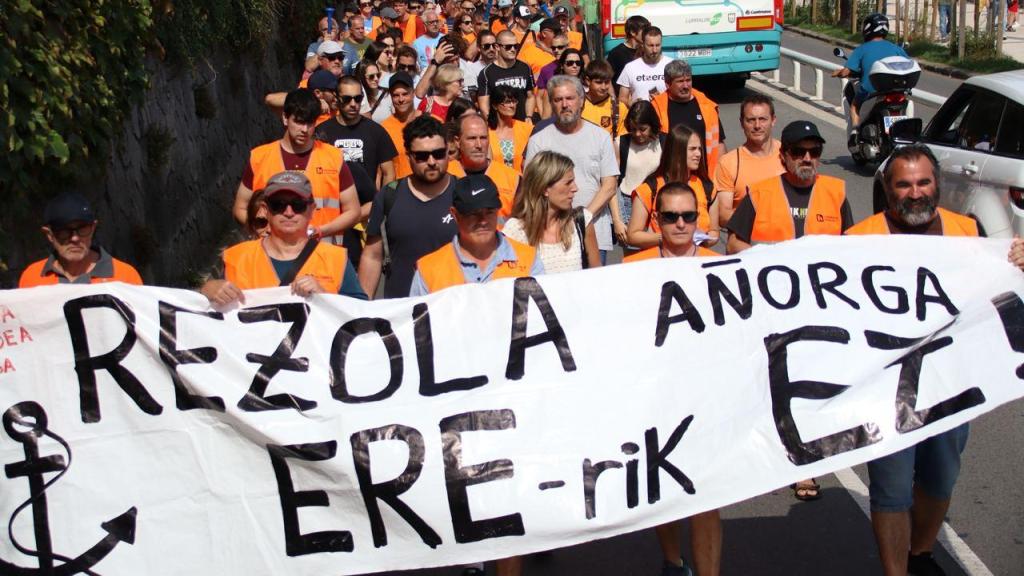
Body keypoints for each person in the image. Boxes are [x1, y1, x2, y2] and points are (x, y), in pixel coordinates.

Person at [845, 143, 1024, 576]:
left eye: (923, 182)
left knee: (940, 478)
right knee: (890, 489)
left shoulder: (969, 232)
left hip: (951, 384)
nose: (915, 192)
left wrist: (1018, 263)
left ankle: (920, 553)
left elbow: (997, 292)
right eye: (903, 185)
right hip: (884, 389)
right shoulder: (856, 241)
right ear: (888, 192)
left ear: (937, 186)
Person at [622, 182, 722, 576]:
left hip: (706, 397)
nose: (680, 224)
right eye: (670, 216)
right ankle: (673, 562)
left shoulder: (721, 265)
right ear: (656, 219)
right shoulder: (632, 269)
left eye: (688, 216)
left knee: (707, 494)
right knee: (664, 489)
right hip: (657, 398)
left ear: (698, 217)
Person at [203, 171, 367, 307]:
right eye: (278, 204)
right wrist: (207, 291)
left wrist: (324, 296)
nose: (289, 212)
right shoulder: (238, 258)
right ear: (266, 210)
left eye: (298, 205)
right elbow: (200, 316)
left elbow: (360, 314)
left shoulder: (335, 259)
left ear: (311, 210)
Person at [235, 89, 361, 246]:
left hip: (322, 257)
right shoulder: (260, 157)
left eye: (310, 123)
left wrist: (321, 231)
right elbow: (240, 207)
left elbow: (353, 211)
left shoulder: (333, 157)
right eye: (299, 122)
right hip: (272, 257)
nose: (305, 130)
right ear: (285, 118)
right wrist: (263, 228)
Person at [358, 115, 459, 298]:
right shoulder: (389, 195)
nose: (431, 161)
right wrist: (361, 308)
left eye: (438, 153)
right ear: (408, 155)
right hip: (401, 312)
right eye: (421, 156)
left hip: (450, 309)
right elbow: (372, 256)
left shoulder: (462, 193)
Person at [525, 75, 619, 263]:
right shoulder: (538, 141)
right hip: (552, 237)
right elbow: (532, 188)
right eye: (558, 100)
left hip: (595, 233)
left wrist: (582, 220)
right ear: (551, 103)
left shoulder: (600, 136)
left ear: (581, 100)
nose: (565, 104)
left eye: (570, 98)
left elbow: (609, 185)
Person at [727, 119, 853, 251]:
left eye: (815, 151)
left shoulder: (835, 193)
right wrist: (764, 258)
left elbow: (851, 244)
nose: (807, 159)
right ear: (783, 155)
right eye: (798, 152)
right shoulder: (759, 194)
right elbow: (733, 243)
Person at [409, 173, 542, 296]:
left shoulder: (529, 259)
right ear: (455, 215)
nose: (483, 221)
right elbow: (417, 320)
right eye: (473, 213)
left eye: (489, 212)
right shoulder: (428, 270)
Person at [504, 150, 601, 271]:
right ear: (544, 188)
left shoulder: (581, 222)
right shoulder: (515, 230)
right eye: (568, 183)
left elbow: (597, 277)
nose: (575, 188)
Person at [19, 192, 143, 287]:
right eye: (64, 231)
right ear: (49, 235)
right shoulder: (32, 277)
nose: (75, 238)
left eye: (82, 229)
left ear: (93, 228)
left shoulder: (125, 277)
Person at [627, 123, 719, 249]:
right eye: (692, 149)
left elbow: (714, 231)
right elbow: (632, 236)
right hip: (663, 263)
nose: (698, 154)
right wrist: (668, 237)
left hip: (697, 262)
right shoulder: (650, 188)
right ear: (677, 151)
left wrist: (704, 238)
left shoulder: (707, 187)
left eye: (699, 149)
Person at [316, 75, 399, 188]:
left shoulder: (376, 131)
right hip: (333, 201)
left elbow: (389, 173)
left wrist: (383, 203)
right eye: (347, 99)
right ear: (337, 97)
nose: (353, 104)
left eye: (358, 98)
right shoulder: (322, 131)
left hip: (368, 203)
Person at [714, 93, 784, 224]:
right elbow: (723, 216)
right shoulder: (728, 163)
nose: (757, 125)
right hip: (747, 241)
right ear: (741, 123)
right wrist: (764, 217)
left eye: (763, 119)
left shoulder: (789, 155)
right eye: (751, 120)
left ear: (773, 120)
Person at [830, 13, 908, 130]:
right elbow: (908, 63)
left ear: (867, 29)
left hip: (871, 91)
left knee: (855, 106)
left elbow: (846, 72)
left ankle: (855, 133)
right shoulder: (896, 48)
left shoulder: (862, 49)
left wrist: (838, 73)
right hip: (895, 90)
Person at [651, 59, 725, 177]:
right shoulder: (656, 108)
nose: (686, 86)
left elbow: (719, 143)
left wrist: (720, 174)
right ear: (667, 84)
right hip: (671, 177)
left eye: (688, 80)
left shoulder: (707, 106)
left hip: (704, 178)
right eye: (680, 81)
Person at [448, 114, 520, 219]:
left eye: (483, 138)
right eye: (472, 138)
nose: (479, 145)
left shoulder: (513, 178)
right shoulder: (445, 174)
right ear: (457, 141)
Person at [616, 100, 662, 246]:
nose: (637, 134)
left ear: (652, 125)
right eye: (633, 129)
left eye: (642, 129)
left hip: (657, 204)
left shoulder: (664, 141)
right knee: (632, 254)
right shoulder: (620, 143)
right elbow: (612, 182)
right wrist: (617, 219)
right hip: (628, 202)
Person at [477, 29, 536, 120]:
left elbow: (530, 96)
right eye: (508, 47)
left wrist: (528, 116)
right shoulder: (487, 73)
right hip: (499, 127)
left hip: (521, 124)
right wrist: (493, 124)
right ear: (497, 47)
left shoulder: (525, 68)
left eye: (515, 46)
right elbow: (484, 105)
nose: (513, 50)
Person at [379, 71, 423, 179]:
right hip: (398, 190)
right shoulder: (384, 128)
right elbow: (380, 172)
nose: (401, 99)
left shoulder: (430, 122)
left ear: (413, 93)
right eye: (396, 95)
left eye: (405, 94)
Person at [617, 26, 671, 105]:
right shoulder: (630, 67)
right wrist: (632, 103)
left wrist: (663, 100)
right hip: (640, 115)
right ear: (642, 44)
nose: (655, 50)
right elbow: (622, 98)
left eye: (657, 45)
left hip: (664, 115)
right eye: (650, 46)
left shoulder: (671, 65)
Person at [487, 84, 533, 173]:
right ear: (495, 106)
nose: (512, 105)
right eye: (507, 102)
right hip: (496, 183)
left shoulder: (527, 129)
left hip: (520, 183)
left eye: (514, 101)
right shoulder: (486, 132)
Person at [581, 59, 628, 141]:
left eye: (607, 82)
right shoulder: (577, 104)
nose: (603, 87)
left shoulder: (618, 107)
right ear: (588, 81)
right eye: (598, 82)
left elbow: (622, 139)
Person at [537, 44, 583, 118]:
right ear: (562, 65)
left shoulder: (587, 86)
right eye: (570, 63)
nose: (575, 66)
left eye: (578, 63)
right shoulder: (553, 89)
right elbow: (545, 120)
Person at [606, 14, 649, 82]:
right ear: (633, 32)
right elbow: (607, 78)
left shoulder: (647, 51)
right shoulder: (617, 53)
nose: (647, 34)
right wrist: (613, 93)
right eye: (644, 31)